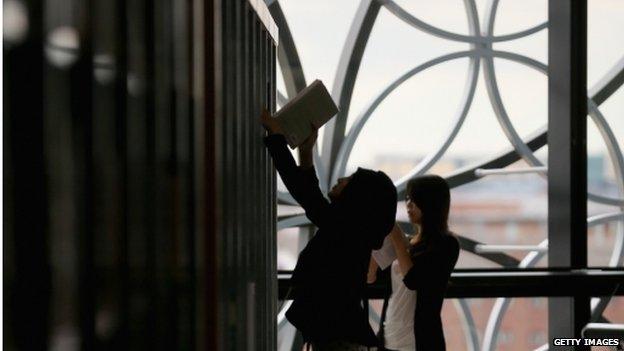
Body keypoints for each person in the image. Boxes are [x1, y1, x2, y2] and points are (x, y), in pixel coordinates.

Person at [261, 109, 397, 350]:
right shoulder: (352, 233)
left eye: (350, 180)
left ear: (357, 197)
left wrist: (276, 136)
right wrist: (305, 152)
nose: (341, 179)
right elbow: (310, 197)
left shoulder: (346, 231)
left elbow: (306, 194)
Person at [368, 175, 460, 351]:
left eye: (416, 199)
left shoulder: (446, 244)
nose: (409, 204)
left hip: (420, 339)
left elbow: (412, 280)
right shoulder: (406, 243)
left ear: (432, 203)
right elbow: (370, 277)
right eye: (408, 198)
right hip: (390, 333)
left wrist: (395, 233)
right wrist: (377, 235)